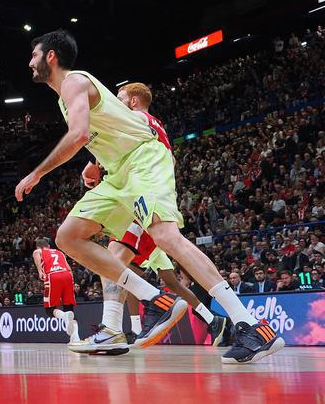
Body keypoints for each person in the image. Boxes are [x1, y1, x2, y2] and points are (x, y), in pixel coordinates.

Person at [16, 30, 283, 363]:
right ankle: (147, 304)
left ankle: (251, 324)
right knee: (69, 237)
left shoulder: (74, 81)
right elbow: (102, 130)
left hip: (142, 160)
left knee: (166, 237)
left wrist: (37, 172)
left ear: (50, 56)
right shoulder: (65, 98)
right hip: (118, 173)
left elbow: (80, 133)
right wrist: (95, 163)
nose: (30, 62)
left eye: (34, 55)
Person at [74, 82, 228, 352]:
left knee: (115, 262)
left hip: (141, 201)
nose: (116, 104)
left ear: (133, 101)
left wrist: (92, 164)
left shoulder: (135, 119)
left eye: (120, 98)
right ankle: (202, 317)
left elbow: (103, 133)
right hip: (149, 198)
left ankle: (131, 321)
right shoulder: (155, 129)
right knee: (127, 267)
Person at [32, 237, 80, 345]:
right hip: (67, 275)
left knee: (50, 310)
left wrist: (40, 271)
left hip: (53, 276)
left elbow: (37, 258)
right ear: (48, 246)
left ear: (39, 246)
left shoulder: (38, 251)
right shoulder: (59, 252)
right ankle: (75, 337)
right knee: (69, 308)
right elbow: (69, 268)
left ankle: (63, 316)